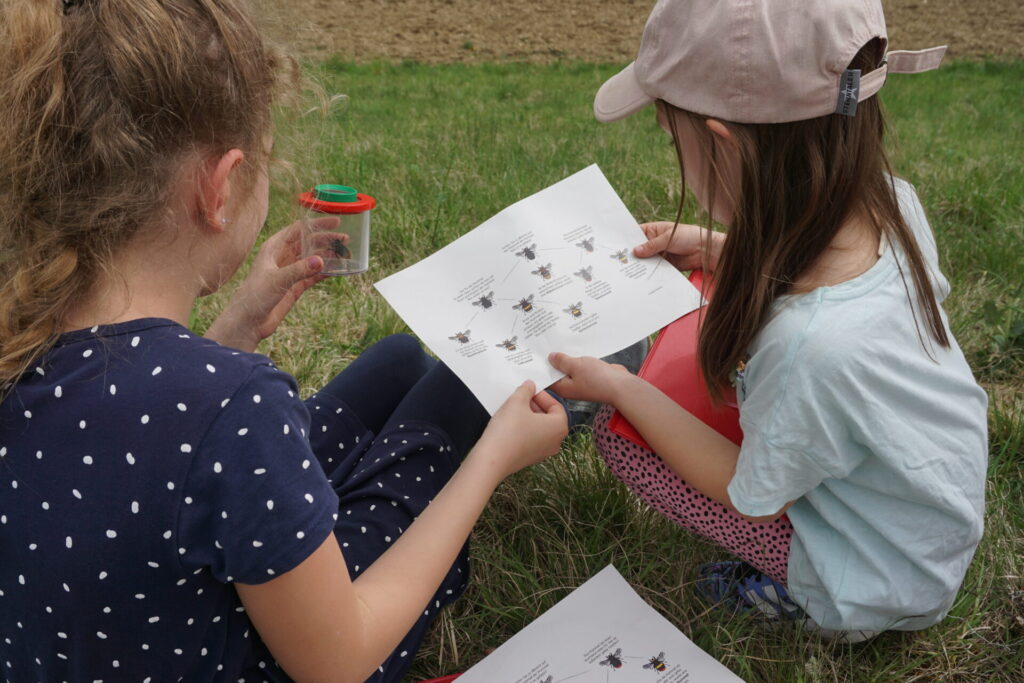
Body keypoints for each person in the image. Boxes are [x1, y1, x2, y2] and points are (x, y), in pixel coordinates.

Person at [0, 1, 567, 681]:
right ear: (220, 187)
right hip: (281, 654)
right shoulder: (235, 402)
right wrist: (493, 461)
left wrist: (236, 327)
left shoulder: (21, 334)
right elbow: (341, 659)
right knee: (454, 391)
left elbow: (134, 439)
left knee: (396, 362)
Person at [548, 0, 988, 641]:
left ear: (724, 145)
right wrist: (720, 247)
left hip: (874, 582)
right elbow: (821, 273)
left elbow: (747, 492)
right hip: (925, 529)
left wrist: (622, 388)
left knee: (626, 440)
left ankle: (804, 596)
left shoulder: (811, 348)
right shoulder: (891, 202)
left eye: (676, 141)